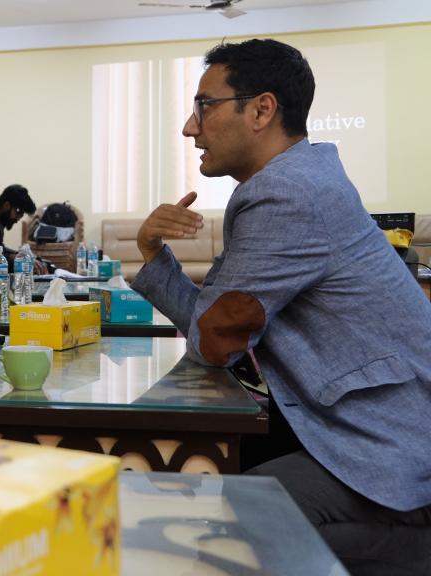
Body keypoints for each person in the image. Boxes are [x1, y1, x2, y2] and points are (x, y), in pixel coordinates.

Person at [131, 38, 431, 575]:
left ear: (262, 109)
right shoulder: (296, 180)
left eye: (204, 106)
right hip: (363, 428)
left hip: (394, 451)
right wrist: (154, 254)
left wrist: (155, 258)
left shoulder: (285, 194)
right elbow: (214, 323)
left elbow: (213, 342)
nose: (189, 127)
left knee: (227, 521)